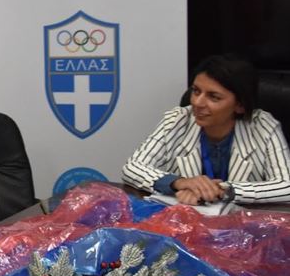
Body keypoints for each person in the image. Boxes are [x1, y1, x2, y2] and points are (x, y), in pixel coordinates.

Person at [122, 54, 290, 204]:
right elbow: (132, 168)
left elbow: (286, 186)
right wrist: (179, 182)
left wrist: (225, 191)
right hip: (189, 218)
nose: (197, 102)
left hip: (244, 221)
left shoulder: (263, 126)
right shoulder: (177, 119)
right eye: (196, 91)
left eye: (213, 97)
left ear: (240, 105)